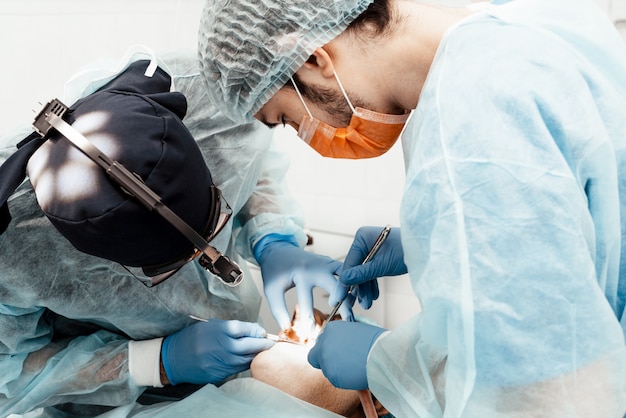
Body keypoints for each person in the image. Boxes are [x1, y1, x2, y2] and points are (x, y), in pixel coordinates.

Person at [197, 0, 626, 416]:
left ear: (312, 59)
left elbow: (538, 396)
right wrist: (440, 244)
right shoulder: (535, 21)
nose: (309, 135)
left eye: (290, 120)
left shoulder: (468, 122)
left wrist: (385, 364)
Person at [0, 48, 350, 417]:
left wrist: (274, 239)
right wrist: (156, 362)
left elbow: (247, 161)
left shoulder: (209, 98)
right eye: (167, 268)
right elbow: (10, 375)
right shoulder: (12, 245)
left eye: (214, 220)